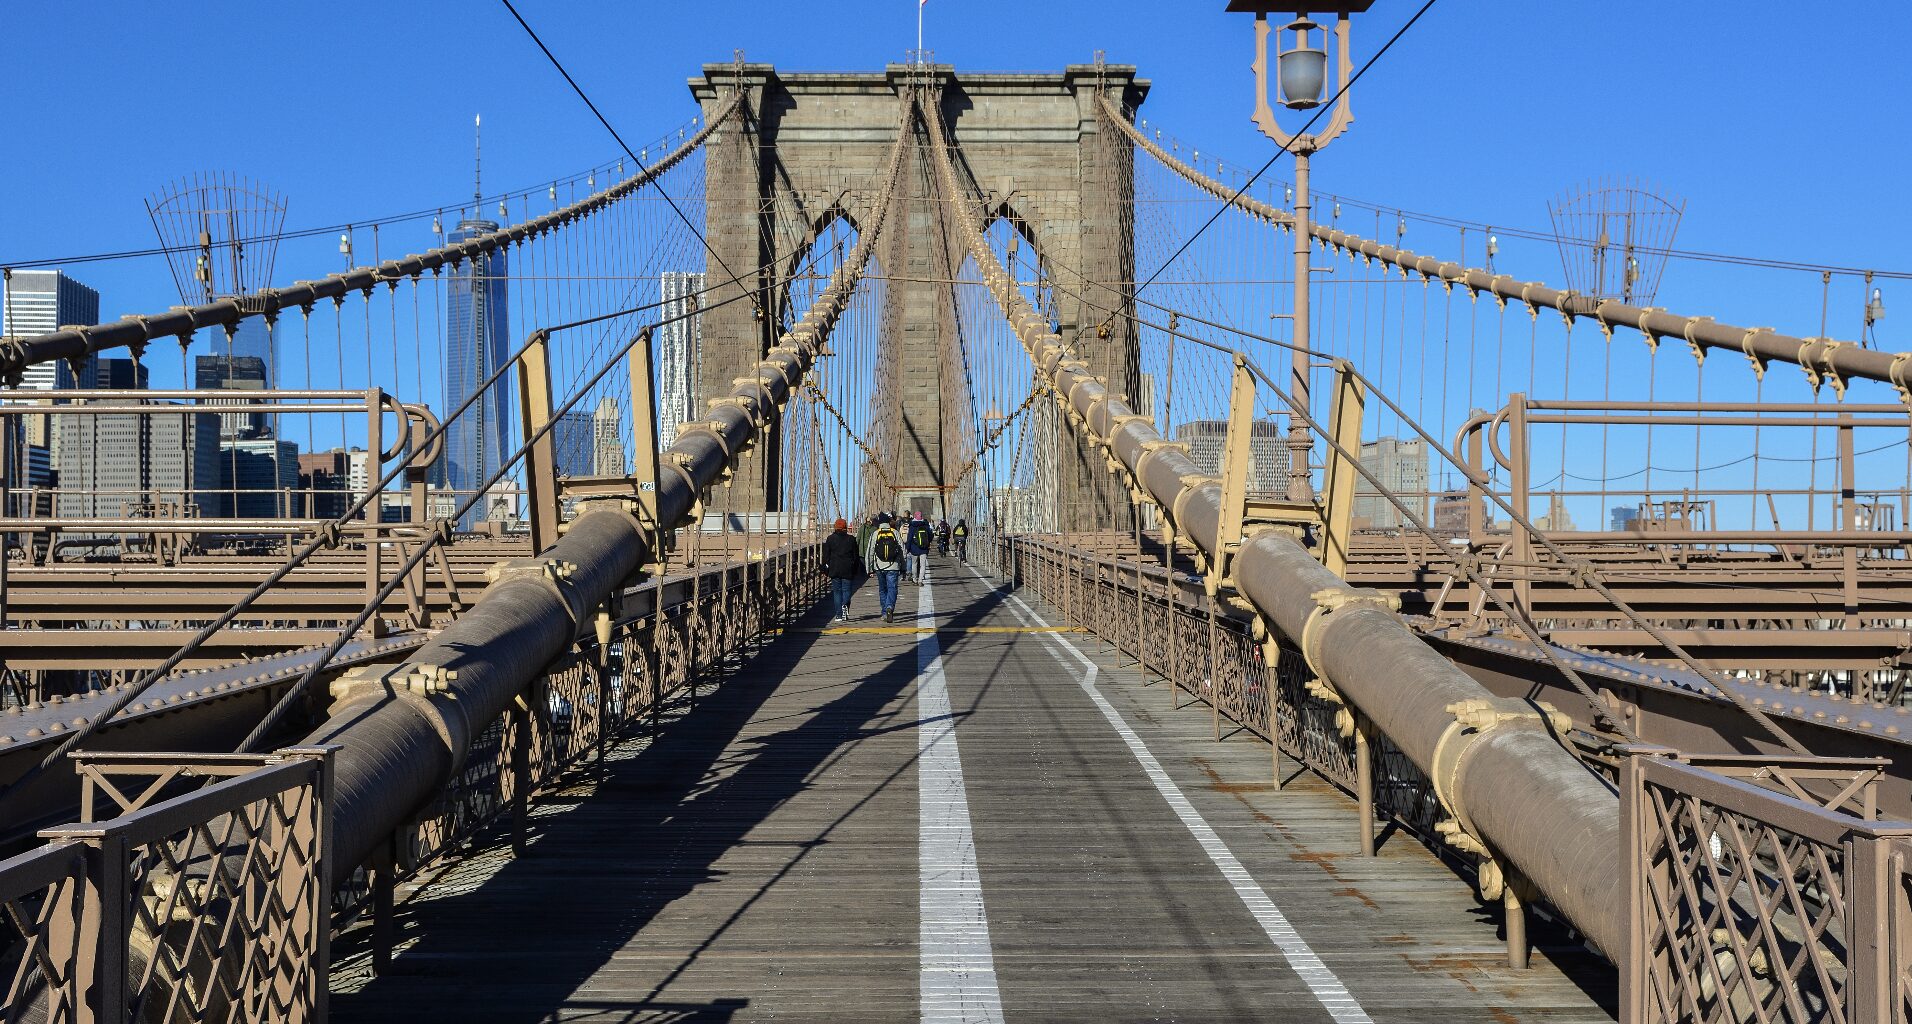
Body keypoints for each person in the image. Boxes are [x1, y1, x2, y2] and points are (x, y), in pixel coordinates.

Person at [822, 518, 862, 622]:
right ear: (845, 527)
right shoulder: (851, 539)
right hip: (847, 569)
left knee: (837, 592)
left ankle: (838, 615)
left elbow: (826, 556)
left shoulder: (830, 539)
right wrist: (855, 569)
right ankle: (845, 605)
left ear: (835, 527)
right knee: (847, 590)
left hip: (834, 568)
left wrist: (825, 570)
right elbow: (855, 556)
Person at [867, 516, 906, 621]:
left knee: (882, 589)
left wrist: (869, 569)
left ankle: (884, 613)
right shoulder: (895, 532)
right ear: (889, 522)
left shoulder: (875, 533)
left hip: (879, 567)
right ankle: (889, 607)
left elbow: (870, 552)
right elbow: (902, 550)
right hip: (893, 566)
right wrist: (903, 567)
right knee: (892, 588)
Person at [905, 511, 933, 584]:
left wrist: (908, 548)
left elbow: (909, 538)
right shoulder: (925, 524)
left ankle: (915, 578)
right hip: (924, 548)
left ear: (914, 516)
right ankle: (920, 580)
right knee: (923, 565)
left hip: (914, 548)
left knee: (914, 564)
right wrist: (928, 543)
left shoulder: (912, 525)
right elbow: (930, 535)